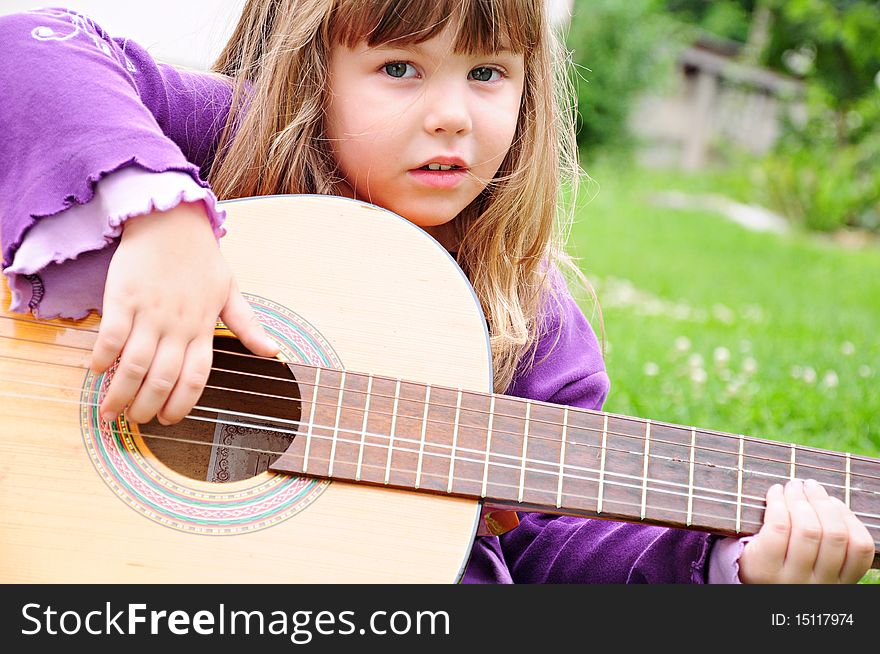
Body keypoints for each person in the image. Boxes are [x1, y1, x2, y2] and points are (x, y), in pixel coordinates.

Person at [0, 1, 873, 584]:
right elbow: (30, 48)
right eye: (400, 69)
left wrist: (735, 567)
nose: (453, 113)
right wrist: (166, 225)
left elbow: (556, 541)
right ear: (314, 73)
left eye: (487, 72)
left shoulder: (531, 324)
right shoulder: (228, 143)